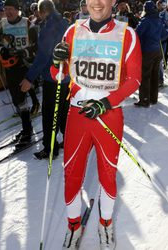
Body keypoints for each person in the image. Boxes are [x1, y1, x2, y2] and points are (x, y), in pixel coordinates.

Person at [50, 0, 142, 248]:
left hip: (108, 116)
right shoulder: (72, 31)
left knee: (108, 175)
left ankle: (105, 225)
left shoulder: (127, 34)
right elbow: (58, 74)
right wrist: (56, 60)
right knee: (71, 174)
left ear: (113, 2)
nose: (97, 3)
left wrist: (106, 102)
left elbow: (134, 80)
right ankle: (73, 226)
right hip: (78, 115)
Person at [20, 0, 70, 160]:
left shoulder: (48, 28)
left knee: (49, 115)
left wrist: (29, 78)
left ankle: (50, 149)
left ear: (42, 12)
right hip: (66, 76)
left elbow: (43, 56)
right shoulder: (64, 22)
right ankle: (69, 140)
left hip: (53, 77)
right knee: (62, 111)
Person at [0, 0, 38, 148]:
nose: (8, 12)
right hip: (10, 68)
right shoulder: (2, 24)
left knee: (21, 98)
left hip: (25, 66)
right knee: (17, 100)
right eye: (6, 9)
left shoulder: (27, 23)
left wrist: (24, 52)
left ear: (18, 10)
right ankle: (26, 128)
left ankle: (28, 131)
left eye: (11, 9)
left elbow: (38, 46)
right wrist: (0, 49)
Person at [135, 1, 167, 107]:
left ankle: (144, 100)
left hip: (147, 51)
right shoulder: (159, 19)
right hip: (157, 50)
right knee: (155, 75)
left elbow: (137, 35)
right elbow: (164, 35)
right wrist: (156, 39)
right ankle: (153, 98)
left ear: (145, 9)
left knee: (145, 76)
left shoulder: (145, 21)